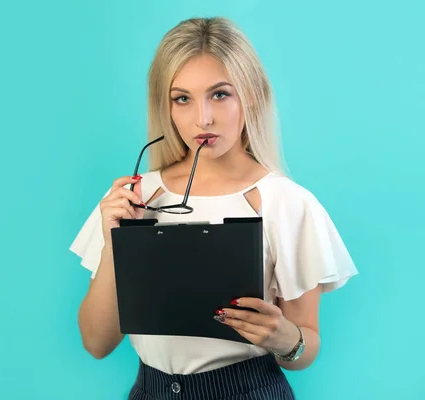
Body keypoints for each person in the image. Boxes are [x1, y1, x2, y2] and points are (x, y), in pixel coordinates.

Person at [70, 16, 358, 400]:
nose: (202, 118)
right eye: (182, 98)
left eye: (220, 94)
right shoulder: (136, 196)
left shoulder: (287, 203)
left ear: (250, 94)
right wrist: (113, 242)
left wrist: (284, 337)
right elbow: (96, 342)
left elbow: (305, 349)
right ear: (167, 106)